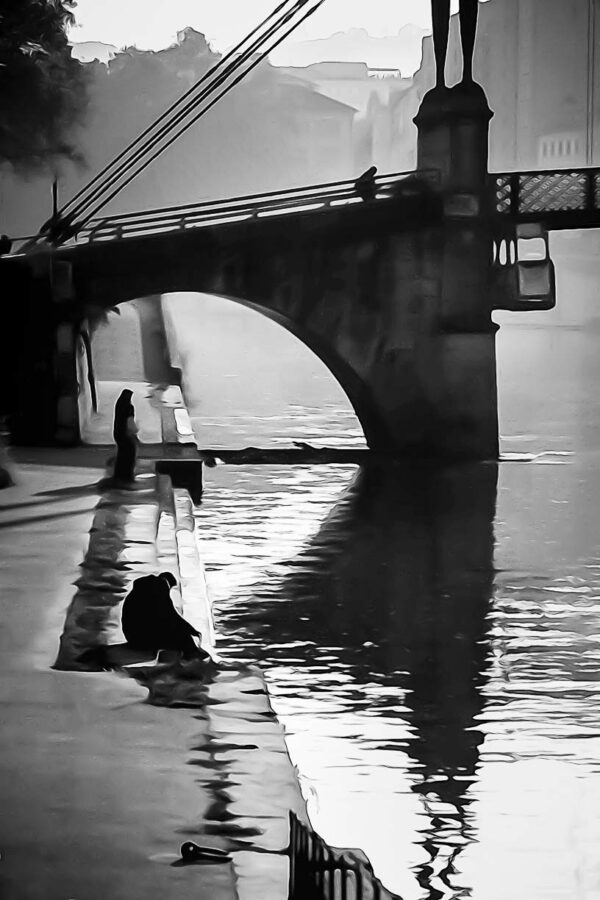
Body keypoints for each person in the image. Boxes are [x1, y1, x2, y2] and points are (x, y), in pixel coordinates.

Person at [121, 571, 205, 657]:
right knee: (181, 635)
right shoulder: (160, 586)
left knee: (174, 629)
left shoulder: (140, 589)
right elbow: (171, 614)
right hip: (143, 638)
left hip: (132, 636)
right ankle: (193, 657)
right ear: (168, 583)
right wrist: (191, 630)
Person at [112, 389, 137, 484]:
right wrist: (135, 431)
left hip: (118, 433)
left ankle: (119, 475)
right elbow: (130, 423)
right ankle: (127, 476)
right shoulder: (129, 407)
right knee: (129, 455)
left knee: (121, 455)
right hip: (126, 434)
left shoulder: (119, 404)